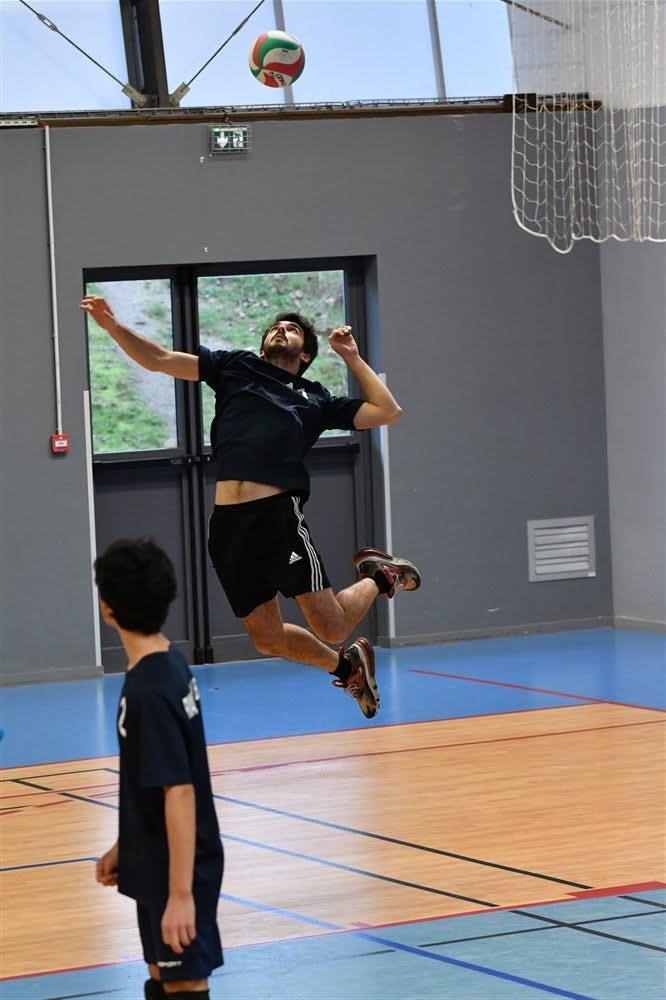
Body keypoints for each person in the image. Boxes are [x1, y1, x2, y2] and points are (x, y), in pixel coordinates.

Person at [80, 295, 421, 718]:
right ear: (262, 347)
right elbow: (160, 360)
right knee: (267, 639)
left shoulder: (315, 400)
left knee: (332, 625)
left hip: (277, 517)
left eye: (292, 329)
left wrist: (351, 356)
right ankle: (346, 667)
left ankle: (382, 576)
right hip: (227, 527)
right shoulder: (236, 367)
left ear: (306, 354)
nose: (282, 330)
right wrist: (113, 327)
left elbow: (388, 411)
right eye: (276, 327)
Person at [94, 538, 223, 1000]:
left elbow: (179, 790)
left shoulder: (149, 691)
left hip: (178, 869)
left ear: (107, 609)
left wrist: (181, 894)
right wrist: (126, 845)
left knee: (185, 981)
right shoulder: (166, 663)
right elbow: (148, 777)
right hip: (154, 858)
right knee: (161, 974)